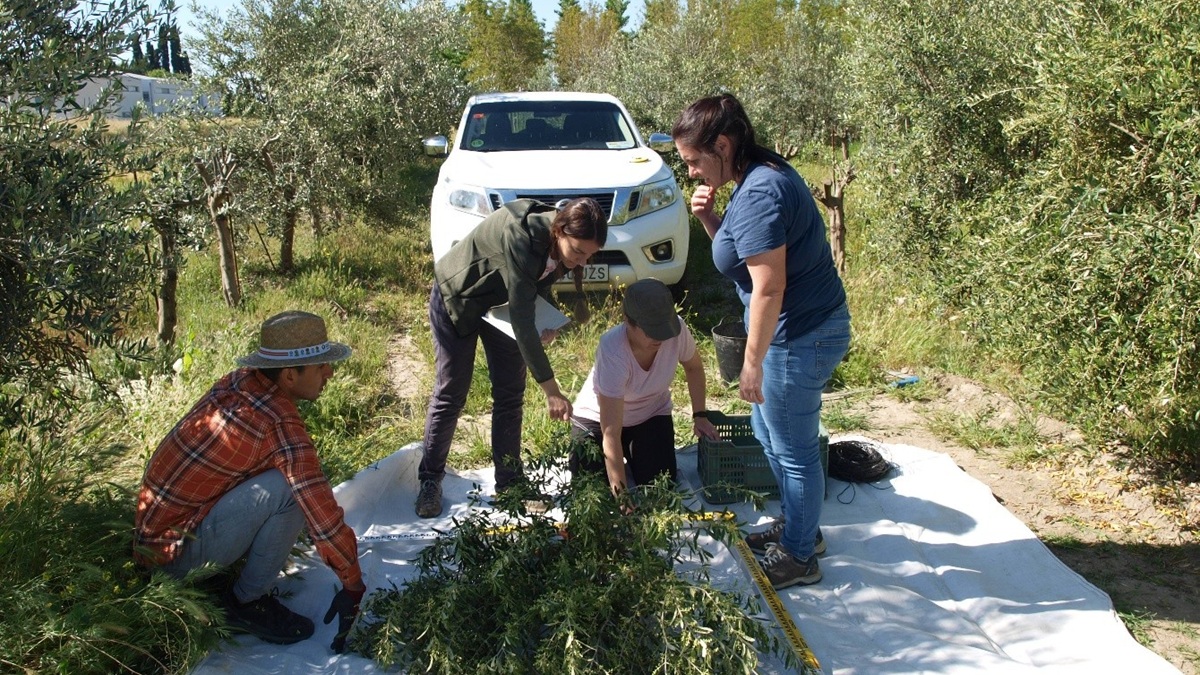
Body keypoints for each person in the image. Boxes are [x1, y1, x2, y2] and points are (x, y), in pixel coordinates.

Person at [673, 94, 851, 590]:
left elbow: (770, 287)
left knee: (794, 450)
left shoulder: (760, 192)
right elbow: (741, 257)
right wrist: (709, 220)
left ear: (723, 145)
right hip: (788, 332)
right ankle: (800, 528)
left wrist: (751, 363)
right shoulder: (755, 176)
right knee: (769, 433)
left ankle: (800, 555)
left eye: (693, 160)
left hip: (799, 336)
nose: (690, 172)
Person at [133, 310, 365, 650]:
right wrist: (353, 584)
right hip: (172, 557)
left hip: (155, 538)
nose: (329, 372)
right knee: (290, 490)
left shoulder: (240, 382)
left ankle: (218, 577)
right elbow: (321, 514)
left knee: (283, 479)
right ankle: (246, 603)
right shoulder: (278, 423)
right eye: (321, 366)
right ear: (289, 375)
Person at [417, 197, 609, 518]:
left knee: (510, 393)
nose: (582, 261)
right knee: (452, 391)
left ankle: (510, 485)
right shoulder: (523, 235)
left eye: (589, 255)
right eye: (578, 252)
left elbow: (535, 287)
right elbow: (521, 317)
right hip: (459, 297)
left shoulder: (562, 246)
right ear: (559, 231)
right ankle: (429, 480)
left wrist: (544, 320)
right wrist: (552, 391)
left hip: (500, 305)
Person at [569, 278, 720, 497]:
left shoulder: (677, 330)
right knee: (590, 489)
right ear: (627, 322)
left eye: (664, 329)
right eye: (651, 330)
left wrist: (700, 415)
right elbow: (610, 432)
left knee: (659, 486)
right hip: (598, 418)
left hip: (650, 412)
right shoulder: (612, 349)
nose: (660, 337)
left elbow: (694, 368)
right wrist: (621, 495)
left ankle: (634, 454)